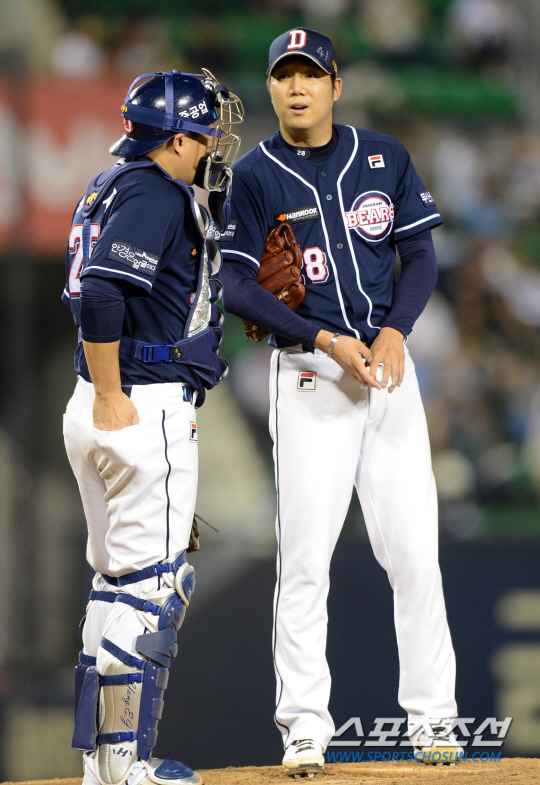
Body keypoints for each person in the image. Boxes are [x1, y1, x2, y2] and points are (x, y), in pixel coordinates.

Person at [217, 28, 463, 777]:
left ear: (335, 86)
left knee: (416, 552)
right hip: (309, 379)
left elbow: (419, 253)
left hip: (388, 375)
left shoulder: (383, 157)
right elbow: (235, 285)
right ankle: (303, 729)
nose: (297, 87)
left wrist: (395, 332)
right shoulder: (254, 174)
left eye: (310, 75)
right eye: (284, 75)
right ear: (270, 88)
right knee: (306, 563)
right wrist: (324, 340)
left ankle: (435, 720)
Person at [63, 69, 243, 785]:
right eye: (202, 134)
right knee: (155, 586)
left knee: (115, 583)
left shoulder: (112, 183)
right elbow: (104, 291)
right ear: (175, 137)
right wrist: (114, 394)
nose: (210, 145)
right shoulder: (155, 192)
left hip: (103, 401)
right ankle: (127, 764)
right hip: (138, 401)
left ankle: (99, 766)